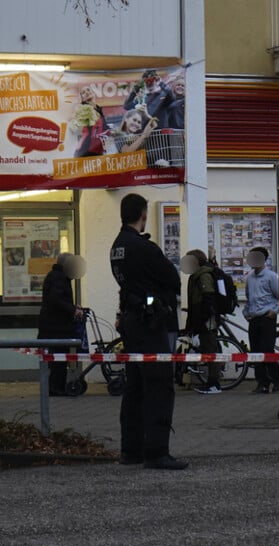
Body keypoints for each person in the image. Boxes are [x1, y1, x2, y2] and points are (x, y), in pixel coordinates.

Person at [110, 193, 187, 470]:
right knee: (158, 386)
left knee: (135, 387)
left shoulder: (117, 246)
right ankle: (157, 452)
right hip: (150, 323)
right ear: (143, 214)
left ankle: (131, 450)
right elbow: (172, 278)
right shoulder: (144, 247)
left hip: (131, 321)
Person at [38, 253, 84, 396]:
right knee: (59, 359)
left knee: (58, 358)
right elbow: (56, 300)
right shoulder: (59, 278)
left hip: (54, 326)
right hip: (56, 326)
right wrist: (72, 310)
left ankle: (55, 387)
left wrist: (72, 306)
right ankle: (56, 388)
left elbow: (58, 299)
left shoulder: (57, 276)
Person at [182, 249, 222, 395]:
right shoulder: (197, 275)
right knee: (208, 349)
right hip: (203, 319)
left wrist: (202, 320)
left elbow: (208, 299)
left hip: (207, 320)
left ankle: (214, 384)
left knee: (211, 351)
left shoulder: (204, 275)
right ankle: (211, 383)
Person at [243, 247, 279, 393]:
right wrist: (246, 313)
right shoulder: (250, 277)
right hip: (254, 318)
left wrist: (274, 311)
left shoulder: (271, 276)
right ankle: (262, 383)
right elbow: (248, 297)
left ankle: (277, 380)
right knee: (256, 352)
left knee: (267, 350)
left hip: (267, 318)